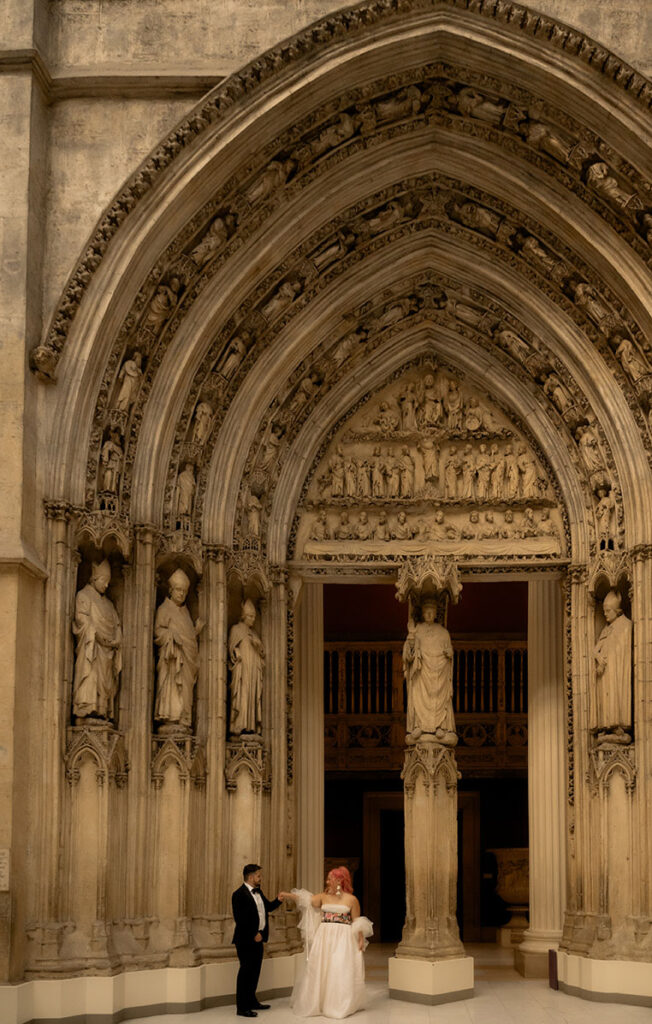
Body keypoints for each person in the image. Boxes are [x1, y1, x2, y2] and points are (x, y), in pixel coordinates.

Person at [280, 867, 373, 1019]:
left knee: (339, 967)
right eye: (328, 878)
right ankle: (320, 1001)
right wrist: (288, 895)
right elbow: (306, 900)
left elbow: (357, 921)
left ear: (339, 880)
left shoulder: (351, 900)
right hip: (324, 937)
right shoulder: (323, 897)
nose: (327, 881)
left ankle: (339, 1004)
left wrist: (361, 939)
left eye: (330, 878)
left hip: (343, 938)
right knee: (321, 967)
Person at [72, 560, 122, 722]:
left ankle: (101, 711)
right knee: (90, 676)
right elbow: (81, 618)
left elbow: (117, 624)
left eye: (108, 582)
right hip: (92, 647)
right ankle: (87, 709)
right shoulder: (83, 596)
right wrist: (96, 634)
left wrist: (116, 640)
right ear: (94, 579)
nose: (106, 585)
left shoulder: (108, 604)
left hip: (107, 652)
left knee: (105, 682)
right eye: (104, 581)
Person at [154, 568, 203, 731]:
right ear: (171, 590)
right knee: (172, 690)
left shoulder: (185, 613)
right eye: (178, 590)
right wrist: (171, 635)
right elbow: (158, 632)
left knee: (185, 692)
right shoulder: (164, 609)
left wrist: (194, 632)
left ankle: (183, 718)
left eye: (184, 591)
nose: (181, 594)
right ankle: (171, 718)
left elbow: (187, 639)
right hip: (172, 662)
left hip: (186, 663)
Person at [232, 864, 284, 1018]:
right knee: (245, 973)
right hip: (246, 940)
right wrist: (254, 934)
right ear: (251, 876)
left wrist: (278, 900)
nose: (260, 878)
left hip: (259, 938)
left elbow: (266, 908)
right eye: (259, 876)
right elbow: (240, 919)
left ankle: (252, 1001)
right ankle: (242, 1007)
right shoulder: (238, 894)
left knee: (255, 972)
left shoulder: (258, 891)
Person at [402, 598, 456, 744]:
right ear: (423, 613)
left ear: (436, 614)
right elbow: (408, 655)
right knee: (418, 696)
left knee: (440, 699)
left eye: (432, 612)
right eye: (426, 612)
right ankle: (419, 725)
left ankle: (440, 726)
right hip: (422, 672)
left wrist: (449, 654)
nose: (429, 614)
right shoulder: (416, 630)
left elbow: (449, 652)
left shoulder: (443, 632)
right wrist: (412, 640)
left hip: (439, 673)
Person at [592, 590, 633, 743]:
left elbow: (624, 650)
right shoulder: (606, 629)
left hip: (618, 671)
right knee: (607, 697)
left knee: (617, 695)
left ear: (617, 610)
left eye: (608, 611)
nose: (605, 615)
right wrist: (599, 658)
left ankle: (618, 727)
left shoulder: (626, 625)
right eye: (603, 611)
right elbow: (595, 649)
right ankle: (607, 727)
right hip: (606, 672)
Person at [229, 599, 264, 736]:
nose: (253, 619)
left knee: (252, 696)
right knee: (242, 696)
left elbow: (262, 653)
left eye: (254, 616)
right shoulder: (236, 629)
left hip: (253, 671)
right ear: (243, 616)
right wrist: (236, 652)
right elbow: (231, 647)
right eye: (250, 616)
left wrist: (258, 645)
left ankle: (251, 726)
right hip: (243, 670)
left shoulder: (254, 634)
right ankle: (239, 725)